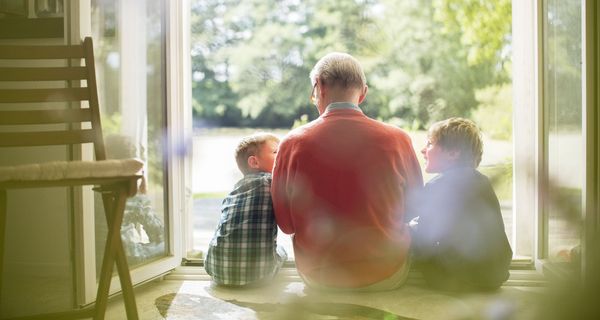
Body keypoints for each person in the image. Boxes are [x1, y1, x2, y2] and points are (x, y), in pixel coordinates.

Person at [271, 52, 423, 291]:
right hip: (386, 273)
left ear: (319, 86)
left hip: (319, 277)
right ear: (363, 93)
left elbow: (286, 225)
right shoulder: (398, 140)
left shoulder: (291, 143)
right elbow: (414, 209)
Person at [411, 117, 513, 291]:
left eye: (429, 144)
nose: (422, 150)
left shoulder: (436, 185)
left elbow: (423, 243)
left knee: (409, 233)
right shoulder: (484, 182)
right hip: (496, 275)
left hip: (454, 279)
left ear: (453, 153)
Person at [205, 132, 287, 287]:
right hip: (258, 276)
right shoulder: (272, 182)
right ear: (254, 162)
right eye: (277, 152)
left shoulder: (235, 189)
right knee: (282, 251)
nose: (283, 156)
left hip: (216, 270)